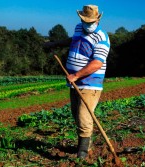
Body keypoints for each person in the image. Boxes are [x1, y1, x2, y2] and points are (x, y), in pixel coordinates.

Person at [44, 4, 110, 159]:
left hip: (90, 82)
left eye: (90, 22)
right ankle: (85, 145)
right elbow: (72, 40)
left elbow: (97, 63)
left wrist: (77, 75)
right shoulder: (79, 28)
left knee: (84, 116)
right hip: (75, 82)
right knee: (76, 114)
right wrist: (54, 44)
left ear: (97, 20)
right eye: (85, 21)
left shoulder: (102, 37)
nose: (87, 24)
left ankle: (83, 153)